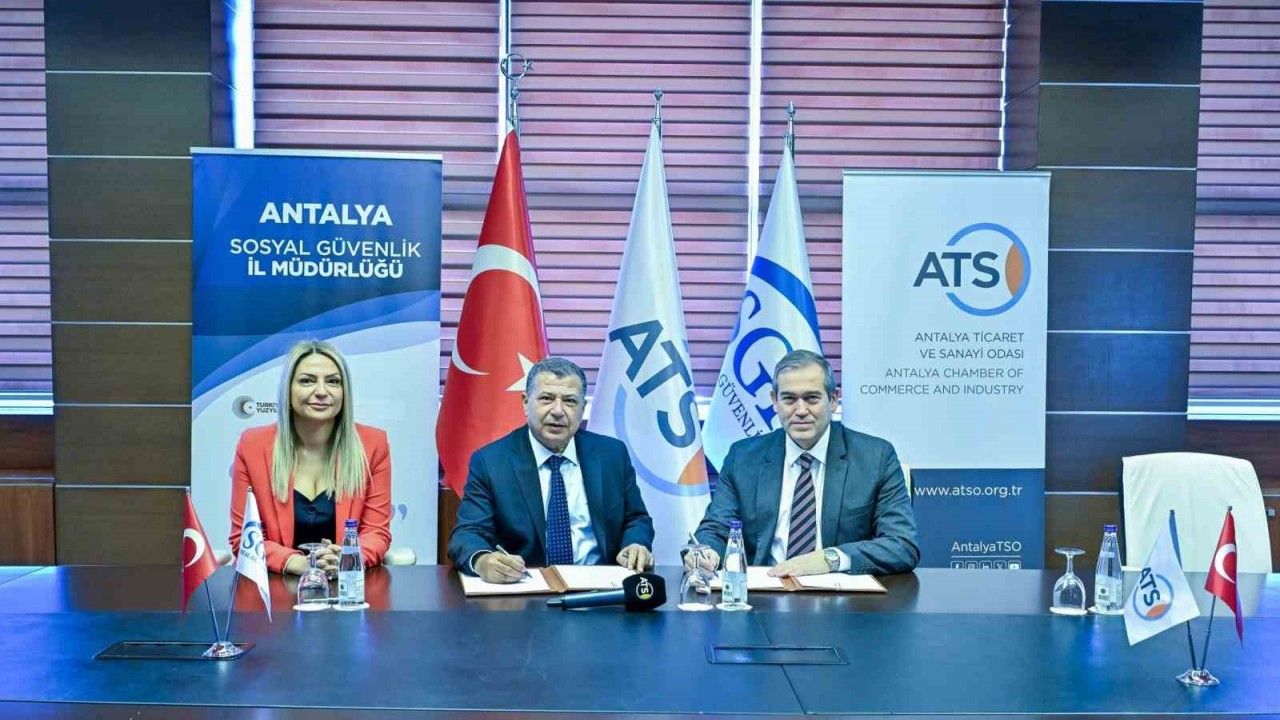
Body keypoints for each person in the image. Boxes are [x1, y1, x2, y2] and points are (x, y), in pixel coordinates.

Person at [691, 349, 918, 576]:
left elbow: (901, 544)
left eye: (811, 398)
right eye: (789, 399)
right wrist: (707, 552)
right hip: (765, 589)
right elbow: (717, 529)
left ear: (833, 399)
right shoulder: (743, 458)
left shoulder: (875, 458)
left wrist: (830, 559)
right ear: (774, 401)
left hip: (842, 592)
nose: (800, 411)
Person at [449, 357, 655, 582]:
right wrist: (482, 560)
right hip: (524, 587)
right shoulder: (491, 462)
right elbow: (468, 533)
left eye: (570, 401)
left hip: (600, 586)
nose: (558, 411)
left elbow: (636, 518)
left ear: (582, 408)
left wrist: (635, 543)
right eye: (546, 398)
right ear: (525, 402)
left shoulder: (611, 454)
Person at [230, 339, 392, 575]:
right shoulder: (253, 445)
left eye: (333, 381)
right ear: (288, 389)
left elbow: (376, 533)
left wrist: (347, 557)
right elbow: (244, 537)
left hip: (343, 584)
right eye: (307, 380)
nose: (321, 392)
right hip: (274, 583)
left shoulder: (373, 445)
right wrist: (299, 563)